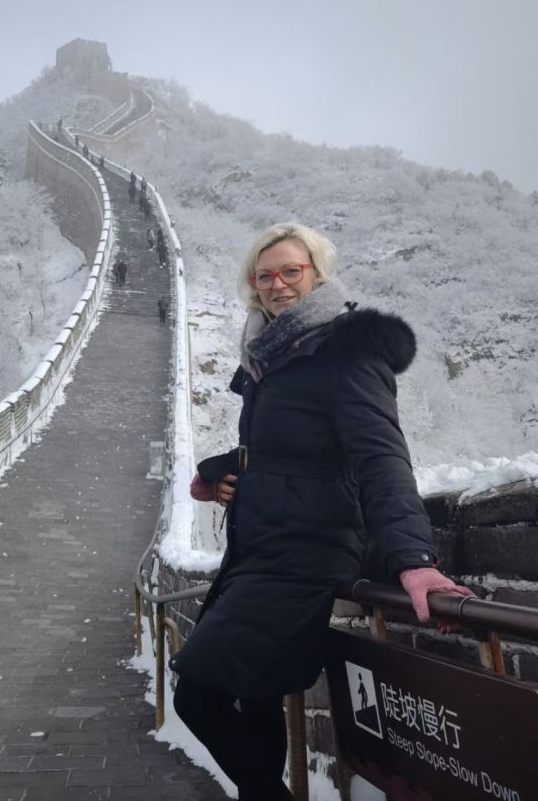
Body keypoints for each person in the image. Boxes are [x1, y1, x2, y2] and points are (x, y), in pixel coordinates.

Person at [170, 222, 471, 801]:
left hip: (307, 552)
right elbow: (287, 448)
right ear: (253, 286)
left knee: (198, 695)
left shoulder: (345, 350)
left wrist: (414, 558)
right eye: (265, 276)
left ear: (317, 273)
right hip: (259, 547)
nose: (278, 284)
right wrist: (217, 473)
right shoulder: (268, 356)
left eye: (291, 271)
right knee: (256, 695)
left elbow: (380, 456)